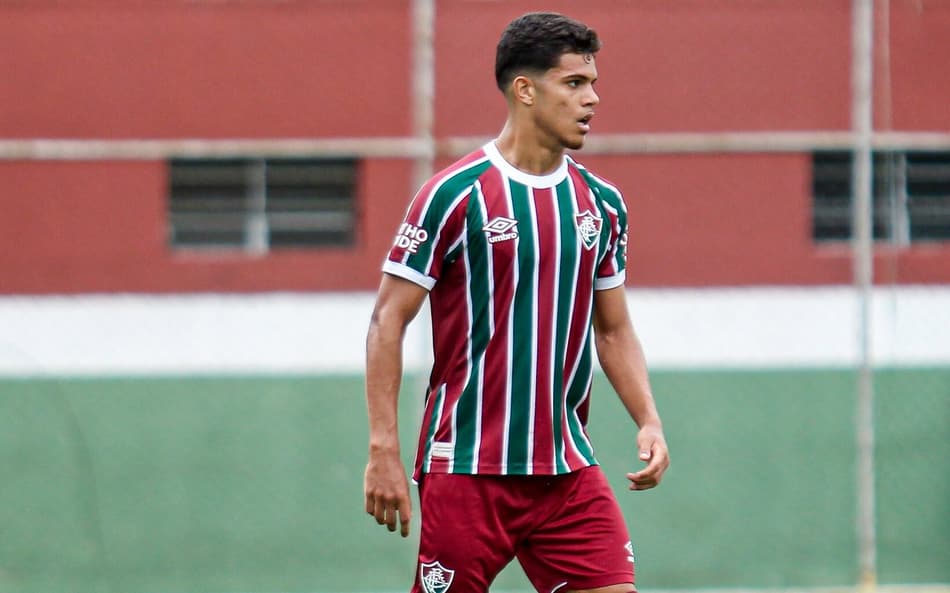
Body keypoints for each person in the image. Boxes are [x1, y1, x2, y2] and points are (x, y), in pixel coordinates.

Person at [364, 12, 669, 593]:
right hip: (469, 469)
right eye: (574, 83)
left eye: (594, 83)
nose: (593, 98)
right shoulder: (454, 195)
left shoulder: (601, 204)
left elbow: (613, 330)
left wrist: (648, 418)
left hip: (565, 471)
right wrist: (384, 449)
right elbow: (387, 321)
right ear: (525, 90)